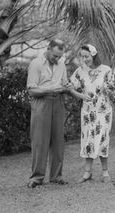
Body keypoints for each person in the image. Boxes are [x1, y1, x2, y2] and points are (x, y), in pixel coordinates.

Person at [26, 39, 71, 188]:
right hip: (41, 102)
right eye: (55, 56)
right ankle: (37, 177)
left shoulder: (61, 64)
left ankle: (56, 176)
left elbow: (64, 84)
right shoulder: (36, 64)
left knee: (58, 140)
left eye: (60, 56)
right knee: (40, 140)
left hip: (58, 102)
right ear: (49, 49)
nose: (57, 59)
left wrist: (66, 87)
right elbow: (31, 90)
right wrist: (50, 90)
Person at [68, 44, 115, 183]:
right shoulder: (79, 71)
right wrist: (80, 96)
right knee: (88, 139)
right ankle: (87, 172)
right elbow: (70, 87)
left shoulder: (106, 70)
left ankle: (105, 172)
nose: (84, 59)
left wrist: (105, 89)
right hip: (87, 111)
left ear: (93, 55)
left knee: (102, 139)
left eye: (86, 56)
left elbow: (112, 89)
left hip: (103, 111)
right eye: (82, 56)